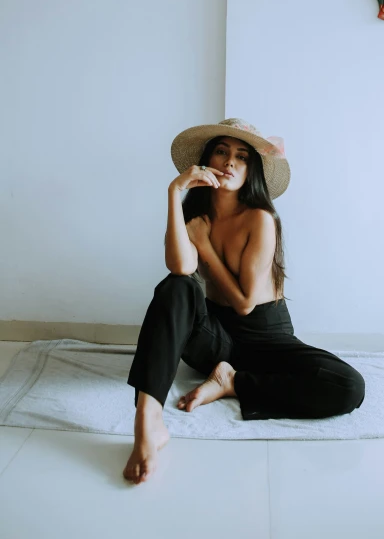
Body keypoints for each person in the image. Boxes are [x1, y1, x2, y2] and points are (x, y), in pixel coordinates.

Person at [123, 118, 365, 485]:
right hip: (214, 338)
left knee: (348, 386)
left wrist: (204, 244)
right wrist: (174, 193)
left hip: (267, 338)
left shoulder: (260, 218)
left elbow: (246, 303)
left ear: (251, 169)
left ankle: (234, 383)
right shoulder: (195, 215)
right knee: (177, 286)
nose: (229, 162)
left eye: (241, 156)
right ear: (206, 161)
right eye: (221, 151)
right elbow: (180, 267)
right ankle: (148, 419)